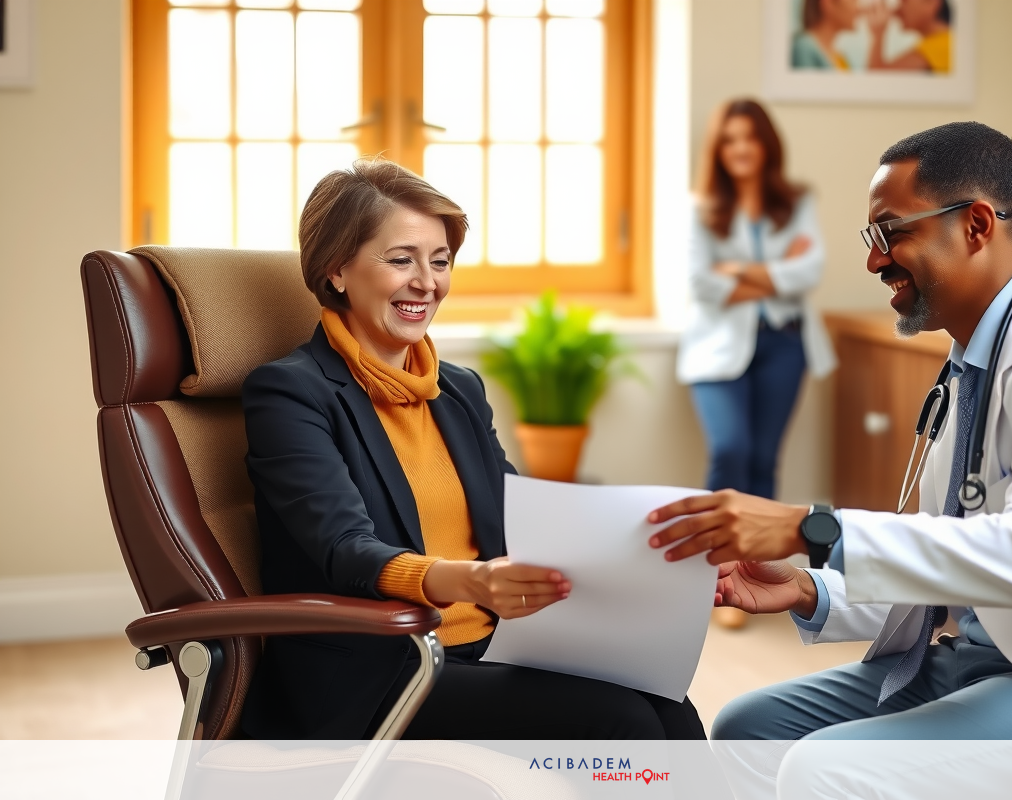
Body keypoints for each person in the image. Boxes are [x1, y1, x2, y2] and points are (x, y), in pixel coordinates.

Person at [650, 122, 1012, 796]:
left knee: (823, 769)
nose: (874, 261)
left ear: (974, 226)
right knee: (747, 728)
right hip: (988, 656)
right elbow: (959, 559)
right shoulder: (969, 363)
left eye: (890, 232)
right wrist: (808, 585)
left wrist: (809, 527)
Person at [239, 158, 706, 741]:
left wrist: (665, 551)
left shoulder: (456, 389)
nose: (427, 282)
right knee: (620, 723)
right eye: (401, 259)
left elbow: (520, 515)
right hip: (384, 671)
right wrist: (473, 581)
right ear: (337, 270)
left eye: (440, 261)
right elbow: (345, 550)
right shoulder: (291, 392)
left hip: (493, 643)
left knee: (666, 702)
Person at [678, 99, 836, 504]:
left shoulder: (798, 200)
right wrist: (781, 269)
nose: (741, 148)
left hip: (785, 344)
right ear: (718, 150)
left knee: (764, 461)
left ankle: (757, 566)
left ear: (767, 144)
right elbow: (700, 283)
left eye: (750, 138)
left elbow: (811, 271)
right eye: (730, 141)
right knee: (730, 451)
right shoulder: (700, 209)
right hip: (717, 345)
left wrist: (735, 270)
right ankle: (709, 564)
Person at [866, 0, 953, 74]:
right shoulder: (941, 43)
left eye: (905, 1)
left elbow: (877, 80)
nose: (898, 9)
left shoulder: (945, 44)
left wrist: (878, 34)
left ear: (930, 2)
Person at [792, 0, 857, 70]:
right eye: (853, 1)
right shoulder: (804, 47)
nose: (858, 9)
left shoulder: (840, 56)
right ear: (828, 3)